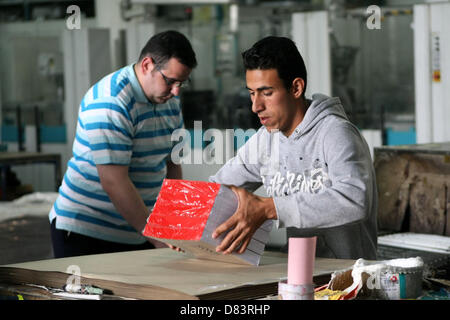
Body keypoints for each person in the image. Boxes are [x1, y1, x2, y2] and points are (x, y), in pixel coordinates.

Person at [209, 36, 378, 260]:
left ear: (296, 87)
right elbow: (217, 187)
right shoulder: (265, 141)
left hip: (349, 281)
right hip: (300, 274)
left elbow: (355, 200)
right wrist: (182, 223)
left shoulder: (336, 133)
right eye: (252, 93)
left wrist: (269, 208)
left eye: (267, 93)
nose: (256, 106)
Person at [49, 30, 197, 258]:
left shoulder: (170, 101)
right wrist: (157, 236)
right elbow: (113, 180)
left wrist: (175, 224)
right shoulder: (111, 101)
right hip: (88, 232)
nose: (176, 91)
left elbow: (172, 165)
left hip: (138, 230)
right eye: (170, 81)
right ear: (147, 65)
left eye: (181, 83)